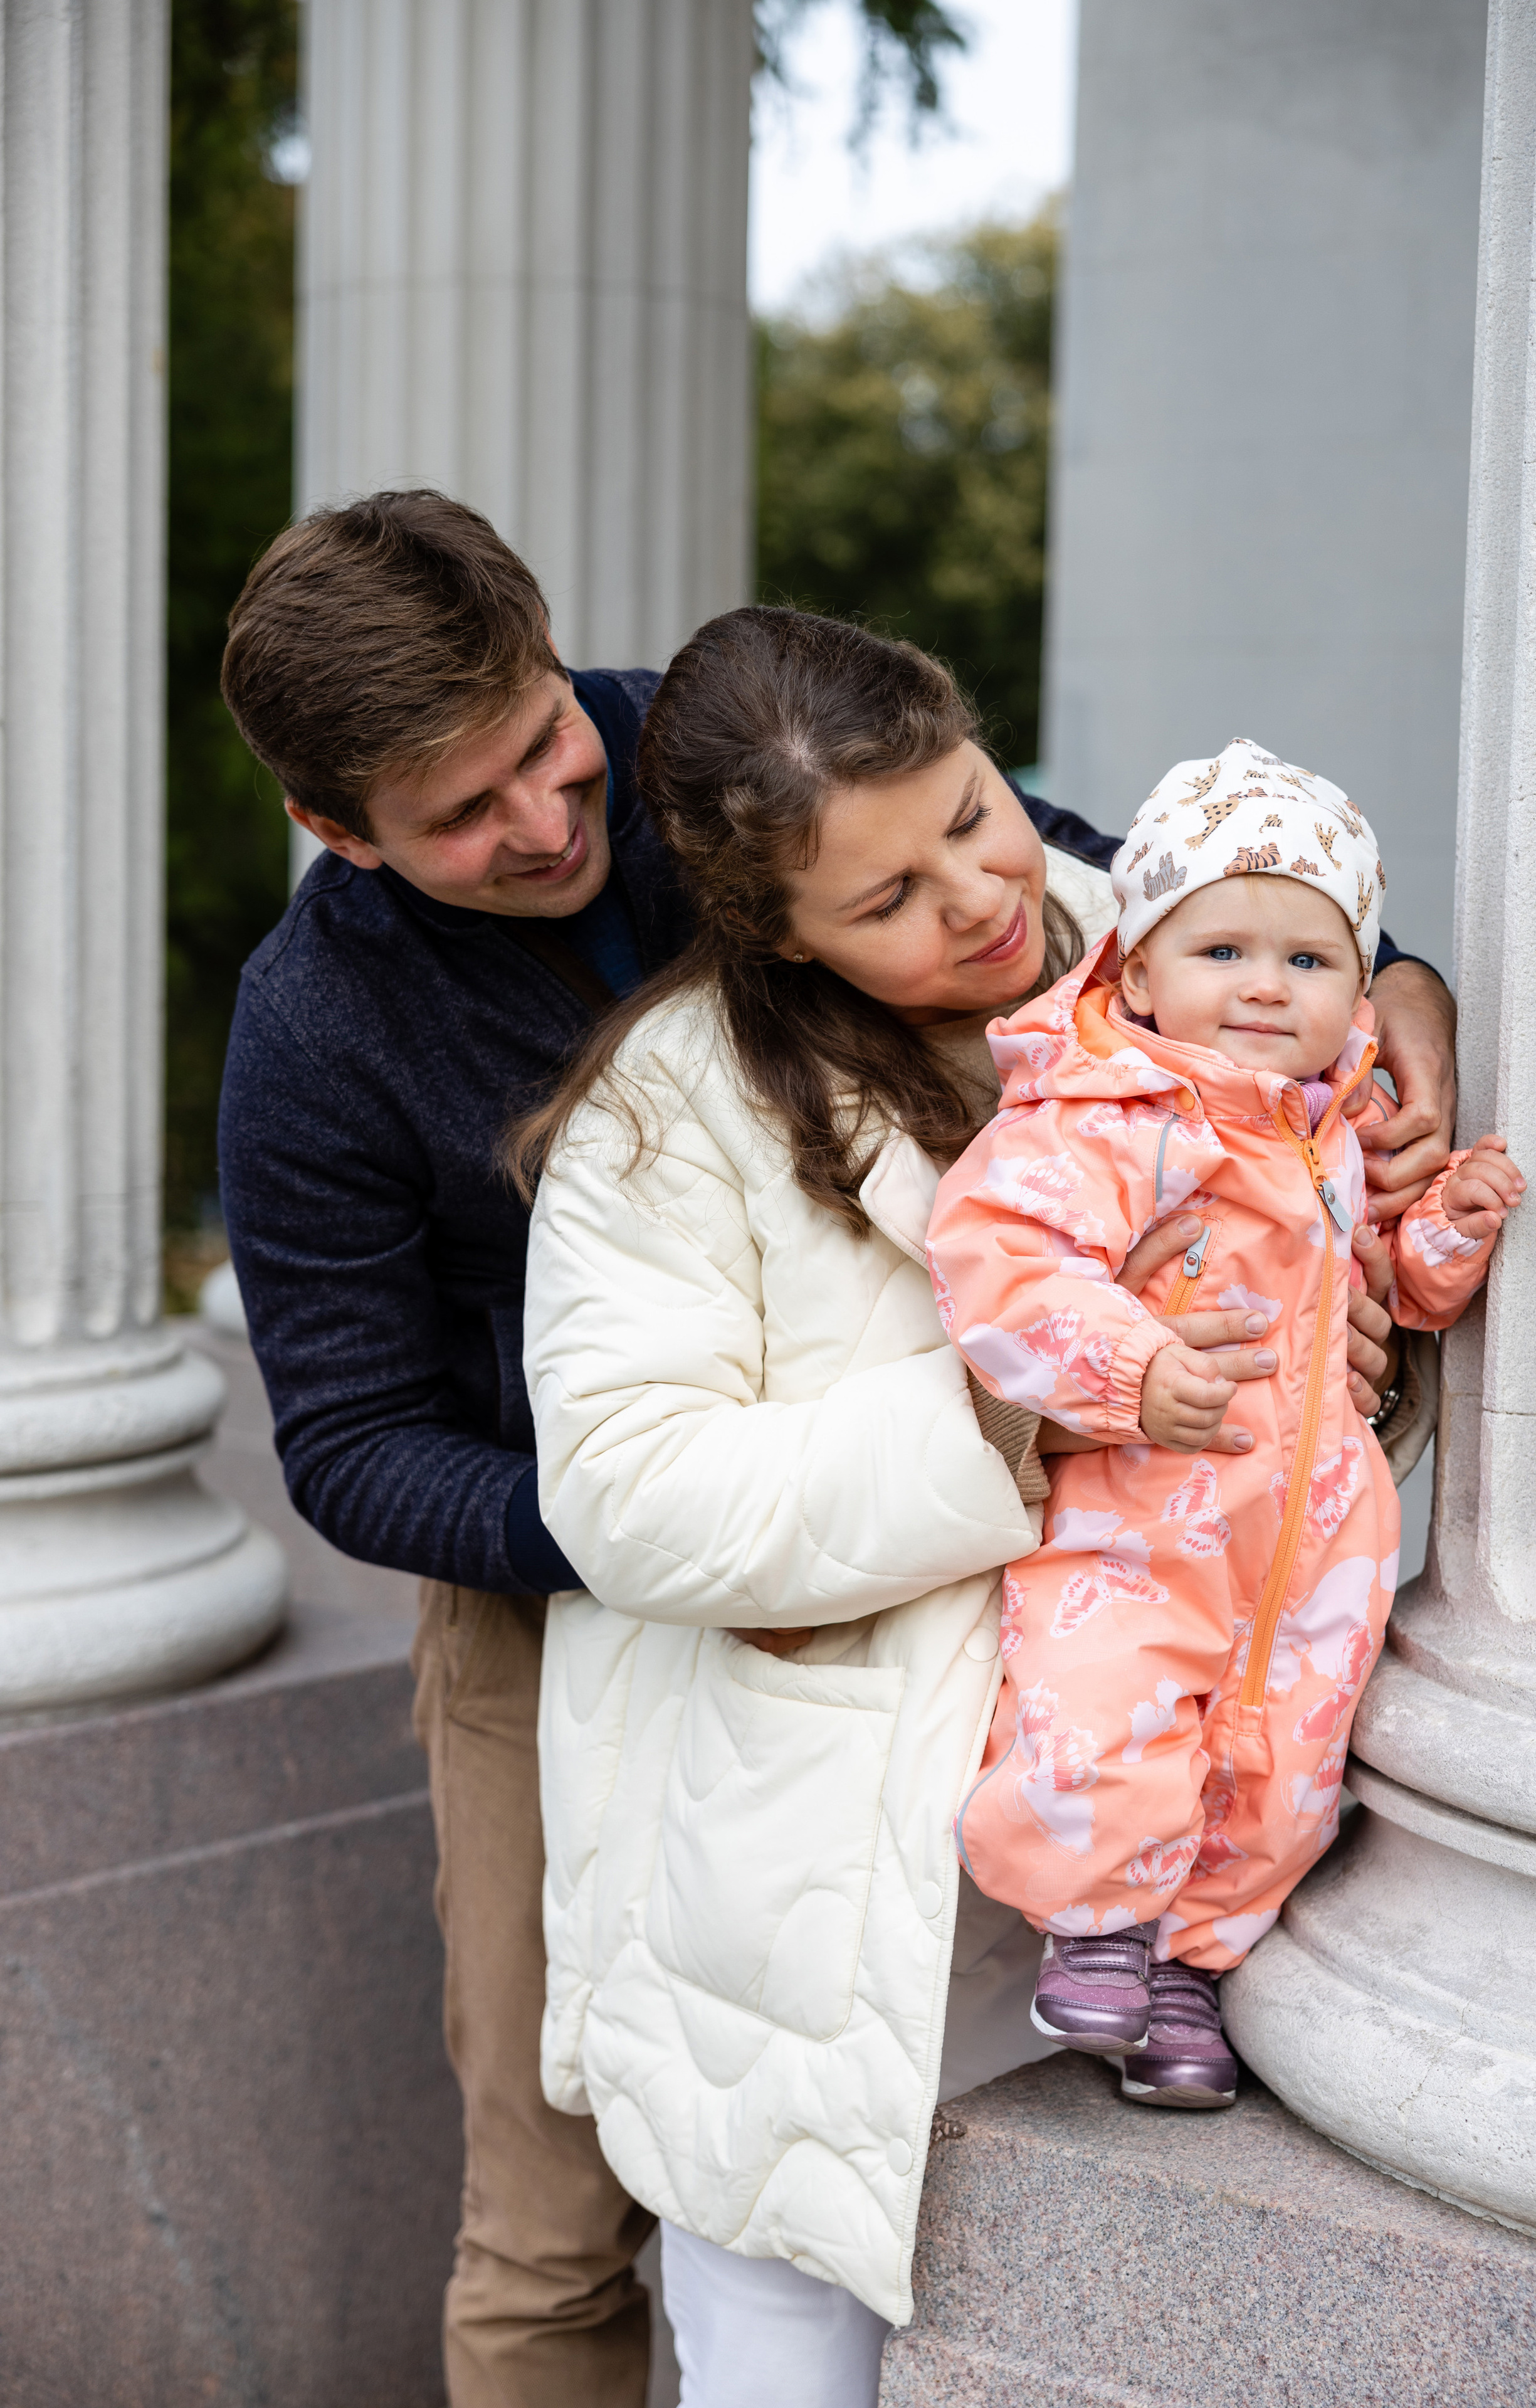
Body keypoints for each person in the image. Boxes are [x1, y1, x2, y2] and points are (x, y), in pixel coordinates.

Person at [216, 496, 1444, 2404]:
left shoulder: (754, 749)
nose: (543, 823)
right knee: (564, 2207)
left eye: (545, 748)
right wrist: (721, 1561)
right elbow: (369, 1446)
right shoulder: (330, 1027)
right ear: (339, 829)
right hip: (557, 1580)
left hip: (1047, 1615)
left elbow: (1175, 908)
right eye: (462, 816)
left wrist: (1399, 1000)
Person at [517, 621, 1457, 2403]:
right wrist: (1019, 1407)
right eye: (886, 898)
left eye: (969, 815)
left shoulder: (1198, 948)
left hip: (1169, 1853)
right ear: (780, 932)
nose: (975, 899)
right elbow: (632, 1499)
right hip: (834, 1877)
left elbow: (1331, 1312)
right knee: (790, 2362)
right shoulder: (669, 1110)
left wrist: (1362, 1315)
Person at [923, 740, 1523, 2115]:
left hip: (1311, 1536)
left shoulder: (1340, 1128)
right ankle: (1097, 1927)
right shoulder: (1103, 1116)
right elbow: (1001, 1262)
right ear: (1137, 973)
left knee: (1285, 1762)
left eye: (1308, 960)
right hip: (1143, 1512)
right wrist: (1131, 1367)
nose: (1264, 985)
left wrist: (1444, 1231)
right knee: (1103, 1707)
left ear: (1357, 991)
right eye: (1223, 951)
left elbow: (1388, 1289)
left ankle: (1192, 1969)